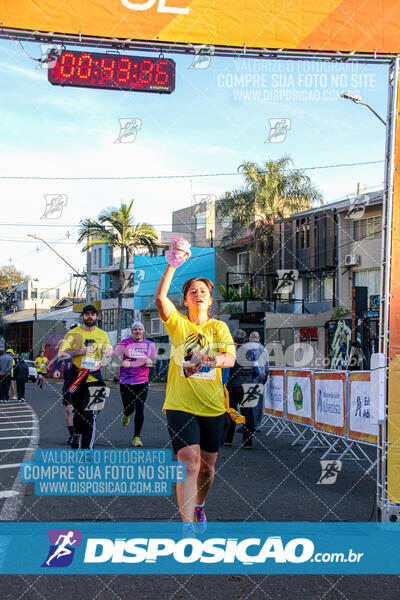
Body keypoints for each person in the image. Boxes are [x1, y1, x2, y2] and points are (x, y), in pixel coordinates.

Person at [155, 237, 241, 537]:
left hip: (213, 406)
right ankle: (187, 528)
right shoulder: (178, 325)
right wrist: (171, 266)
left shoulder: (218, 328)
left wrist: (209, 360)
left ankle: (200, 505)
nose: (198, 294)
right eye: (193, 291)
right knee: (188, 462)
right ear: (187, 300)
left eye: (203, 291)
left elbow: (230, 358)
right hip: (180, 405)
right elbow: (160, 300)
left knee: (207, 469)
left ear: (210, 300)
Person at [53, 305, 113, 450]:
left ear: (96, 316)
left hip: (94, 378)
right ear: (82, 317)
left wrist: (107, 351)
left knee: (89, 414)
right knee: (79, 412)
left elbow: (109, 349)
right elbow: (61, 354)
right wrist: (78, 351)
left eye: (93, 314)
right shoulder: (73, 334)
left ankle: (87, 451)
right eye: (87, 314)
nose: (90, 316)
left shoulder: (102, 334)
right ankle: (76, 433)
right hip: (77, 377)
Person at [114, 322, 157, 448]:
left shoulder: (150, 344)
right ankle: (126, 414)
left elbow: (154, 359)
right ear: (132, 331)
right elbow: (114, 357)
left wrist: (151, 362)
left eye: (139, 329)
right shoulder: (125, 343)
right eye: (135, 329)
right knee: (129, 407)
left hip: (142, 381)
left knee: (140, 407)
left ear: (143, 331)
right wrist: (121, 363)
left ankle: (136, 437)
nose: (137, 331)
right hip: (126, 382)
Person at [225, 329, 269, 450]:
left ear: (234, 339)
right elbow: (256, 371)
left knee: (232, 412)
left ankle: (228, 439)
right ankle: (247, 442)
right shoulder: (251, 353)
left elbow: (226, 370)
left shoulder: (230, 352)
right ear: (245, 340)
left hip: (233, 386)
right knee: (248, 415)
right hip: (248, 386)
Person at [53, 323, 79, 444]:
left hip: (83, 384)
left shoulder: (85, 346)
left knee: (82, 411)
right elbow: (58, 360)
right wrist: (56, 369)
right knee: (69, 409)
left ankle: (82, 433)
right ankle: (72, 434)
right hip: (68, 383)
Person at [248, 331, 269, 431]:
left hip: (249, 377)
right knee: (259, 402)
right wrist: (264, 378)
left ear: (250, 338)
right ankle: (256, 425)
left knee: (248, 402)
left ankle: (247, 425)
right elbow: (267, 367)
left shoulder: (247, 348)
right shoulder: (264, 350)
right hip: (260, 377)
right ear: (259, 338)